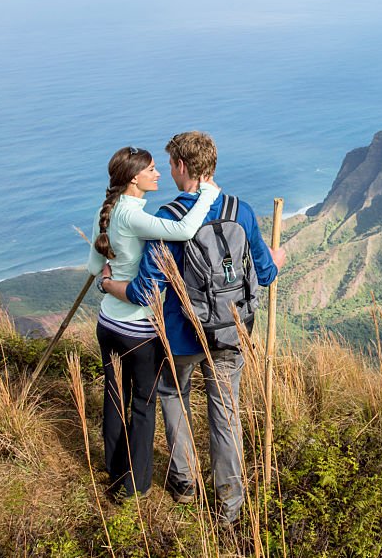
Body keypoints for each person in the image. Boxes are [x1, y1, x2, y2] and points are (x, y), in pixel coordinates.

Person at [103, 131, 285, 525]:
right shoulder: (241, 210)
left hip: (181, 335)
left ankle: (185, 483)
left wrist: (109, 282)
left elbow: (145, 289)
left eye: (169, 164)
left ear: (182, 166)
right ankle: (229, 503)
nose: (168, 171)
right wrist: (277, 257)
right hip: (231, 333)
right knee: (226, 412)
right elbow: (266, 274)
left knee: (173, 394)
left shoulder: (168, 218)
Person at [85, 145, 221, 500]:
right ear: (134, 177)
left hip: (107, 324)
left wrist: (109, 281)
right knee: (143, 405)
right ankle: (137, 485)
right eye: (151, 169)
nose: (158, 173)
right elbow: (184, 229)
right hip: (138, 330)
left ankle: (115, 471)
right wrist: (208, 193)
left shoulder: (109, 211)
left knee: (115, 398)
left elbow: (92, 268)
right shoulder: (133, 215)